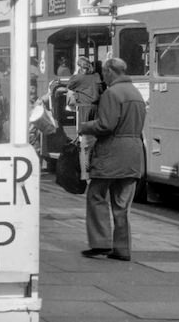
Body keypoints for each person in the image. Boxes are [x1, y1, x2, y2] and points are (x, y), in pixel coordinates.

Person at [77, 57, 146, 262]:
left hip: (111, 153)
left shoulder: (111, 93)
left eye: (104, 74)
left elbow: (106, 125)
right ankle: (122, 249)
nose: (103, 77)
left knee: (96, 195)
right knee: (122, 204)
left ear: (109, 72)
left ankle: (101, 243)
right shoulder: (136, 93)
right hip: (133, 154)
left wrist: (85, 126)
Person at [67, 57, 102, 179]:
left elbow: (69, 86)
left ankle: (85, 173)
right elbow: (101, 89)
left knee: (84, 141)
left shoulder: (78, 78)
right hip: (96, 108)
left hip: (84, 108)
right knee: (95, 137)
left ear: (80, 67)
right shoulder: (96, 76)